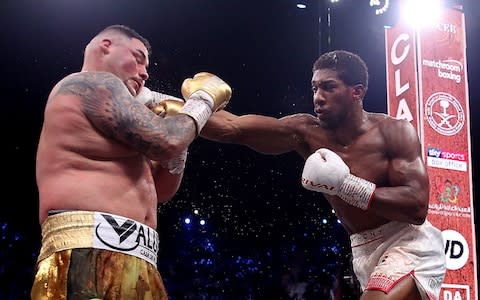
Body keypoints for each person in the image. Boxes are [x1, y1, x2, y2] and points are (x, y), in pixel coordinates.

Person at [200, 50, 446, 300]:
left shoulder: (393, 132)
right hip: (363, 249)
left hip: (409, 243)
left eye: (328, 87)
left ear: (357, 92)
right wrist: (186, 107)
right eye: (315, 88)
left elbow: (416, 208)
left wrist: (346, 185)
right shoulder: (306, 132)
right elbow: (234, 128)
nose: (318, 97)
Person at [31, 24, 231, 300]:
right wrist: (203, 100)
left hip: (138, 258)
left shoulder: (120, 118)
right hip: (86, 253)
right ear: (106, 46)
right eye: (138, 57)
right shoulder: (90, 83)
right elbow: (166, 141)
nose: (145, 72)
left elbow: (161, 191)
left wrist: (179, 143)